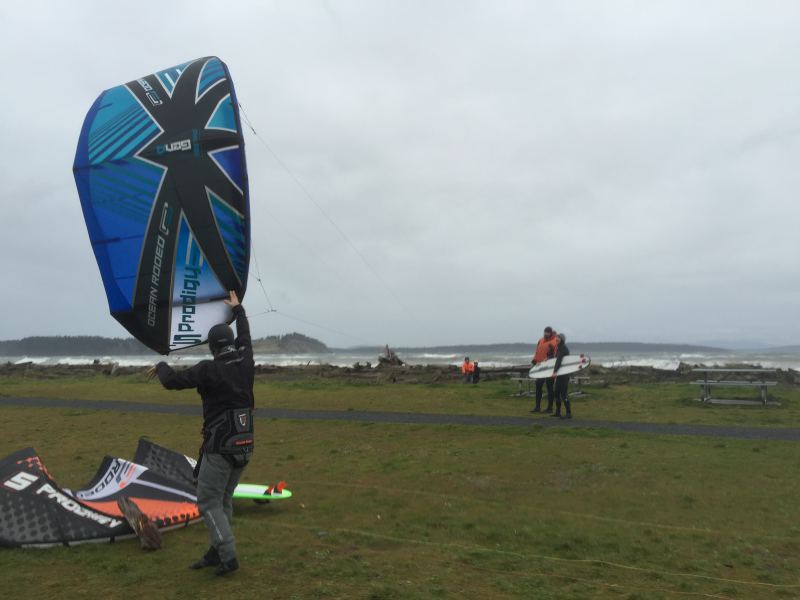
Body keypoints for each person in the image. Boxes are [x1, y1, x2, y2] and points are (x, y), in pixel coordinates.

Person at [147, 290, 254, 575]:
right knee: (223, 500)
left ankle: (228, 556)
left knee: (208, 501)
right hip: (245, 445)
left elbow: (172, 382)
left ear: (212, 348)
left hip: (220, 447)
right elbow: (245, 339)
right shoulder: (246, 363)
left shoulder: (208, 370)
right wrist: (239, 311)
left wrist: (161, 366)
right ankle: (216, 550)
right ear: (229, 345)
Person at [530, 327, 558, 413]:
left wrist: (550, 359)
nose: (546, 334)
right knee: (538, 385)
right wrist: (534, 360)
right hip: (540, 367)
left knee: (549, 387)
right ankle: (537, 407)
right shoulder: (540, 340)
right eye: (545, 332)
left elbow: (556, 354)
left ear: (551, 333)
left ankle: (550, 408)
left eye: (547, 332)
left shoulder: (555, 342)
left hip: (550, 368)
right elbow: (537, 351)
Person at [552, 333, 572, 419]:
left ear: (562, 339)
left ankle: (568, 413)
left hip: (564, 374)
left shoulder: (563, 348)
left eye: (558, 338)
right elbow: (555, 359)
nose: (556, 339)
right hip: (560, 374)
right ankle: (558, 412)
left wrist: (555, 371)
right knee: (556, 393)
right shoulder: (559, 347)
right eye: (556, 337)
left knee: (563, 394)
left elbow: (559, 360)